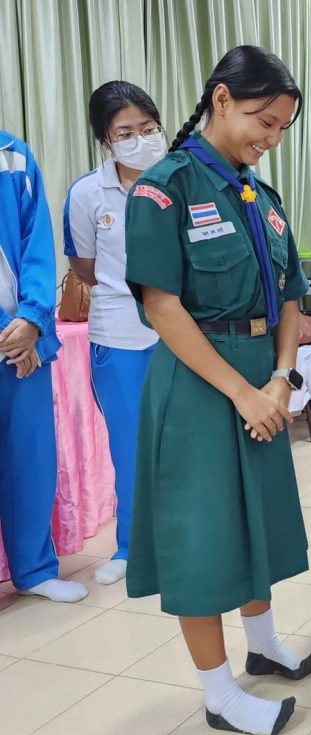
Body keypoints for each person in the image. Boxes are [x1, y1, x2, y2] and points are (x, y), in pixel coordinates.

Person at [123, 45, 311, 735]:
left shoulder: (260, 197)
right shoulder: (165, 189)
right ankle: (219, 695)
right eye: (264, 123)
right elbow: (162, 307)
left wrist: (281, 377)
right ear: (222, 100)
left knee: (254, 521)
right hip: (200, 386)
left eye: (282, 129)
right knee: (202, 539)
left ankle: (263, 646)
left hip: (261, 377)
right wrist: (243, 392)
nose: (272, 140)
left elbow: (290, 296)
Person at [64, 81, 163, 585]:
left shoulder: (180, 178)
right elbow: (84, 266)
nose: (139, 139)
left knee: (187, 441)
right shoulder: (87, 193)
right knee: (130, 447)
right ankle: (130, 547)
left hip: (183, 332)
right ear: (105, 140)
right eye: (125, 132)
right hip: (119, 334)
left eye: (148, 127)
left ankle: (187, 540)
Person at [0, 131, 89, 603]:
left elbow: (37, 242)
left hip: (21, 341)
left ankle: (34, 570)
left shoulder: (12, 155)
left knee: (30, 458)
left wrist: (33, 319)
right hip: (12, 337)